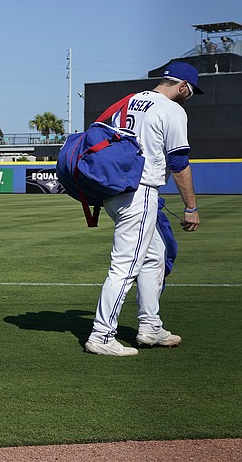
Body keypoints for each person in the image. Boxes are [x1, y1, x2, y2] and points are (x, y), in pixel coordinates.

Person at [84, 61, 202, 357]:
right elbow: (178, 163)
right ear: (183, 85)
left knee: (155, 256)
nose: (189, 95)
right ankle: (101, 335)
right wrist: (191, 206)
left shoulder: (130, 100)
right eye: (190, 90)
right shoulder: (173, 109)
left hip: (113, 190)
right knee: (125, 266)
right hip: (139, 191)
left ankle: (150, 326)